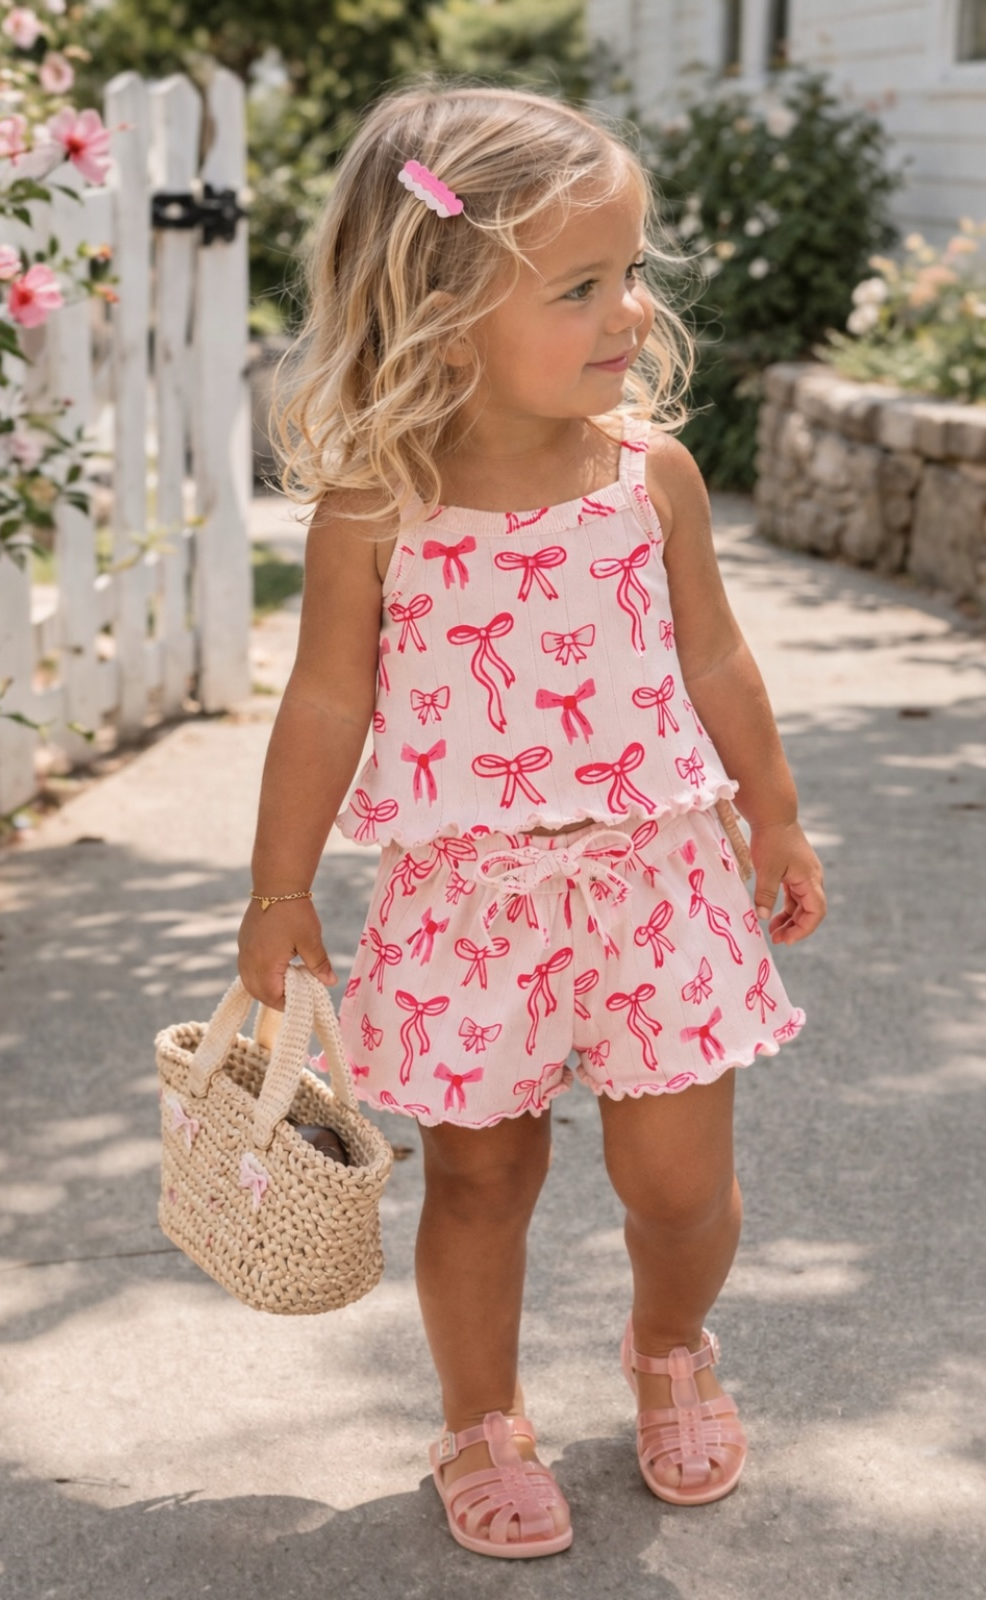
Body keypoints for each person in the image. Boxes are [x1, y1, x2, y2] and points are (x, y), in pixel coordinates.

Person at [238, 83, 826, 1559]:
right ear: (440, 305)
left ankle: (668, 1344)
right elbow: (322, 707)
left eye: (631, 271)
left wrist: (777, 816)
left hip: (661, 883)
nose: (628, 310)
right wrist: (277, 890)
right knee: (482, 1178)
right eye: (579, 285)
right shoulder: (378, 510)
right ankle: (479, 1415)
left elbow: (714, 658)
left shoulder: (651, 480)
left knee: (680, 1184)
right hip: (466, 901)